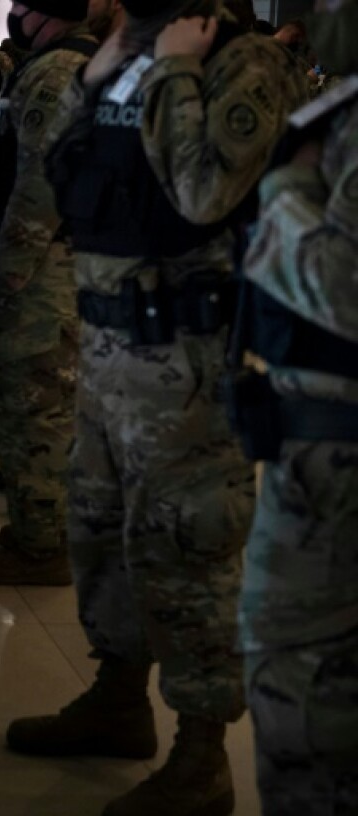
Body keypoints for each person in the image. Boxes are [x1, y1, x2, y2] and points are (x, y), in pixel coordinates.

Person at [8, 0, 308, 811]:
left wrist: (176, 67)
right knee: (100, 531)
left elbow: (204, 193)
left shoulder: (244, 62)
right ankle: (118, 697)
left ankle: (202, 755)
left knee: (187, 549)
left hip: (186, 362)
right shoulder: (125, 50)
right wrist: (93, 79)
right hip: (105, 354)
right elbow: (60, 170)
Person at [230, 0, 358, 812]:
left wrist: (282, 199)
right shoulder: (340, 106)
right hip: (317, 447)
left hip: (338, 459)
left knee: (299, 688)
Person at [0, 0, 103, 585]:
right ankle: (49, 530)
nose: (15, 13)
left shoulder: (53, 70)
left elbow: (37, 180)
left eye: (22, 4)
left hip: (40, 268)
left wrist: (8, 271)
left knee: (32, 407)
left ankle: (40, 548)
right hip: (70, 260)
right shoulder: (92, 63)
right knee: (53, 405)